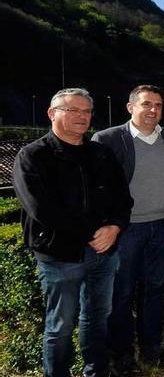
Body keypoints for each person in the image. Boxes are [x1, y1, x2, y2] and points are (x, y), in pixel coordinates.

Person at [13, 88, 132, 377]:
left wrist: (115, 227)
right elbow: (42, 210)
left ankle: (97, 371)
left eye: (87, 111)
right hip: (60, 255)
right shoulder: (33, 156)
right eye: (73, 110)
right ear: (52, 114)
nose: (82, 116)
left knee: (97, 318)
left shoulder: (100, 153)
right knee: (60, 325)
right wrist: (96, 233)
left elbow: (122, 198)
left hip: (104, 254)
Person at [92, 85, 164, 372]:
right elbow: (96, 188)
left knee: (154, 290)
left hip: (160, 228)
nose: (153, 110)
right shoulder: (107, 139)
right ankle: (123, 356)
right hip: (126, 230)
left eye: (158, 104)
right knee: (122, 294)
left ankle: (152, 349)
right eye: (146, 104)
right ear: (131, 107)